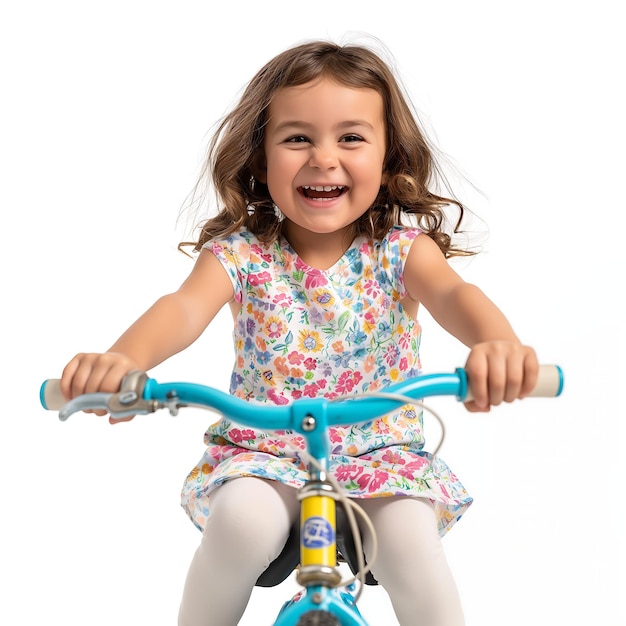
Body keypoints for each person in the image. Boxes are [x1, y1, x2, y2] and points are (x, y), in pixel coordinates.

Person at [59, 39, 539, 626]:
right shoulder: (241, 255)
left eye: (352, 137)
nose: (323, 158)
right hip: (266, 455)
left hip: (380, 455)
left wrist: (497, 344)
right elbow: (182, 309)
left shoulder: (400, 251)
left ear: (389, 161)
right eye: (297, 138)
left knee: (412, 540)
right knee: (239, 524)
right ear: (261, 160)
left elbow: (454, 296)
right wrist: (122, 359)